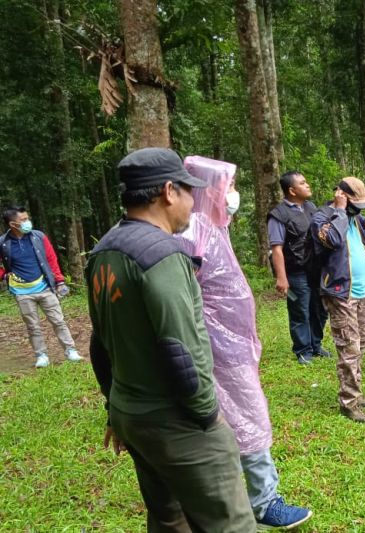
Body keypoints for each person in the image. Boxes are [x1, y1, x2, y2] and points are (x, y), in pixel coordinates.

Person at [85, 147, 256, 531]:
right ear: (168, 191)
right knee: (230, 524)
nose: (193, 203)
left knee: (168, 518)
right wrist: (208, 415)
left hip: (132, 416)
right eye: (188, 192)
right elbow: (180, 348)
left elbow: (101, 343)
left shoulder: (103, 251)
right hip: (175, 421)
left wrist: (114, 406)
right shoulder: (163, 255)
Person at [177, 156, 312, 530]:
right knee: (246, 419)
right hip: (217, 348)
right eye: (229, 186)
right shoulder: (193, 232)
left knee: (240, 418)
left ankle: (243, 496)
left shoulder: (215, 227)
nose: (233, 194)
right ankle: (263, 501)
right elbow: (186, 296)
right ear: (210, 188)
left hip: (233, 344)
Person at [311, 177, 365, 424]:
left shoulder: (357, 219)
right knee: (349, 347)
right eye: (356, 203)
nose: (360, 209)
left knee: (362, 342)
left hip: (363, 292)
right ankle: (349, 403)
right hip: (341, 293)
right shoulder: (322, 218)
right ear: (340, 195)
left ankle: (356, 392)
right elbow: (332, 239)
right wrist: (340, 210)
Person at [0, 206, 82, 368]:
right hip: (22, 292)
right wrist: (4, 275)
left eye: (27, 219)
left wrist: (59, 281)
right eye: (23, 220)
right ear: (12, 224)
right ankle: (41, 355)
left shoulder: (38, 237)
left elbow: (51, 260)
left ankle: (70, 350)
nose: (27, 222)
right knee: (32, 325)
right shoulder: (3, 243)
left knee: (58, 320)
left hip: (45, 287)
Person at [267, 171, 330, 365]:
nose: (307, 185)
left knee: (320, 309)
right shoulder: (278, 215)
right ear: (292, 190)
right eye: (303, 183)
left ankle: (316, 344)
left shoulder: (311, 208)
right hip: (295, 271)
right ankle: (303, 350)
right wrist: (281, 277)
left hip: (316, 269)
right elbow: (276, 249)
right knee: (300, 310)